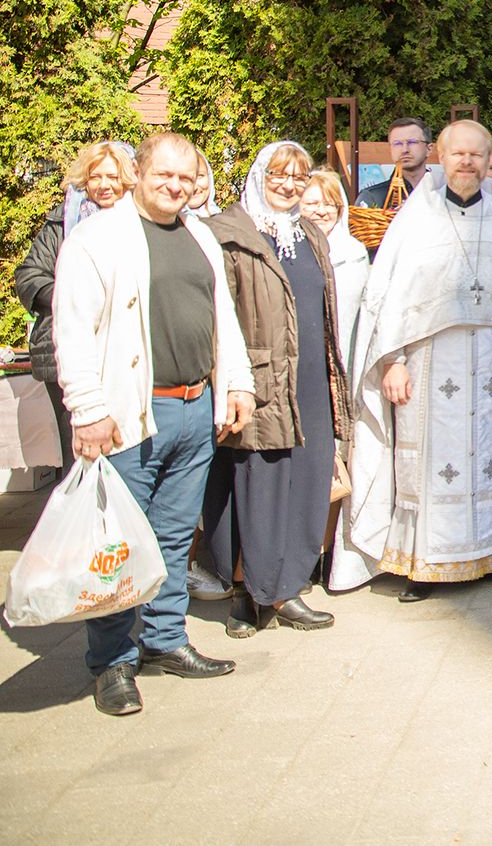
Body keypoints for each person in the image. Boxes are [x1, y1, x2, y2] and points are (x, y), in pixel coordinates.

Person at [53, 132, 255, 717]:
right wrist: (87, 409)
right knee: (116, 543)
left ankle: (164, 638)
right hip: (127, 414)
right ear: (138, 172)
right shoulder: (99, 237)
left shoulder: (199, 235)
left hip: (195, 408)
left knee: (171, 536)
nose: (175, 186)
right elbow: (74, 329)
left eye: (186, 178)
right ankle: (113, 662)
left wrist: (235, 383)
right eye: (164, 175)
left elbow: (224, 320)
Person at [333, 119, 492, 601]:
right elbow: (390, 297)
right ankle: (428, 564)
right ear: (440, 156)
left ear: (487, 161)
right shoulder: (416, 216)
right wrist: (392, 360)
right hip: (430, 358)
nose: (467, 162)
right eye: (457, 153)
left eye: (476, 155)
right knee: (432, 461)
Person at [203, 141, 352, 638]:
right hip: (259, 381)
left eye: (298, 176)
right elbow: (218, 318)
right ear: (260, 175)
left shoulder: (309, 234)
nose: (289, 185)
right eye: (279, 176)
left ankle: (286, 588)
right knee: (256, 487)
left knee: (306, 485)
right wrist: (230, 383)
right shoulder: (229, 233)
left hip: (311, 377)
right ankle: (249, 592)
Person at [16, 138, 136, 470]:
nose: (104, 185)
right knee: (80, 455)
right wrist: (73, 297)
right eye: (96, 177)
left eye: (113, 176)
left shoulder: (140, 226)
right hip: (64, 352)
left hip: (124, 352)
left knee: (124, 448)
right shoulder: (62, 222)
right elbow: (28, 275)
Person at [301, 169, 372, 366]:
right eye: (312, 204)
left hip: (345, 358)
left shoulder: (354, 253)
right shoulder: (289, 251)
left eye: (330, 204)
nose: (322, 211)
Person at [356, 118, 431, 209]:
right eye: (397, 143)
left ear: (429, 149)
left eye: (412, 142)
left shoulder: (444, 192)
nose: (405, 150)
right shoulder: (373, 197)